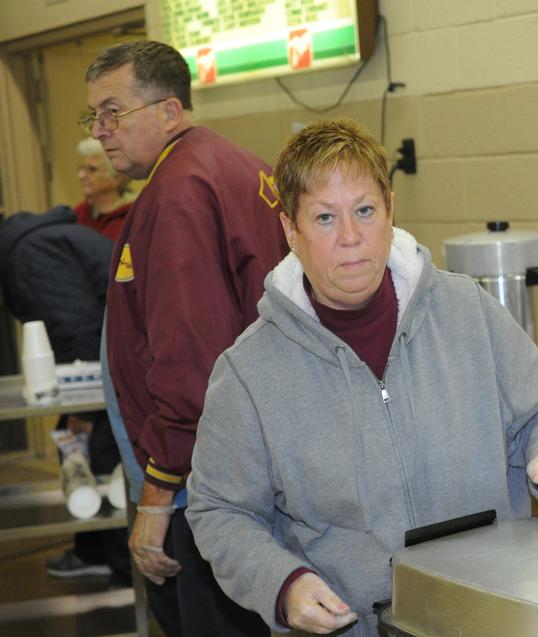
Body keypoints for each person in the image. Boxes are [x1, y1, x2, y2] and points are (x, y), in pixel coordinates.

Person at [186, 118, 538, 636]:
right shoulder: (248, 373)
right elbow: (220, 510)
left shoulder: (467, 310)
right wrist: (283, 585)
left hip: (496, 615)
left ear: (391, 211)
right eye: (325, 218)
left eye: (365, 211)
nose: (351, 238)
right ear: (290, 230)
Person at [82, 39, 288, 636]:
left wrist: (156, 498)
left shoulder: (176, 194)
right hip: (254, 466)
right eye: (93, 115)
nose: (100, 129)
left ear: (169, 112)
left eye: (112, 112)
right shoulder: (238, 165)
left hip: (203, 484)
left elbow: (192, 365)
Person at [0, 205, 131, 585]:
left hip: (112, 366)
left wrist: (82, 414)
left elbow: (81, 333)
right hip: (110, 358)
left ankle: (125, 574)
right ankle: (94, 554)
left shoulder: (29, 255)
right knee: (75, 446)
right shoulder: (29, 245)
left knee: (95, 453)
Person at [74, 136, 134, 241]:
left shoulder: (131, 219)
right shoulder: (77, 215)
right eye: (82, 168)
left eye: (92, 170)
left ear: (117, 178)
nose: (82, 175)